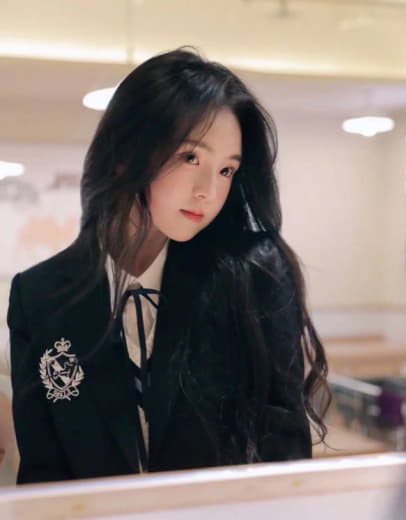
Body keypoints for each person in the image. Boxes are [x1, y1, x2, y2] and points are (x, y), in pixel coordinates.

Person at [6, 46, 330, 485]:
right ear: (126, 151)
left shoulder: (255, 277)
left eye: (226, 171)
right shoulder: (39, 296)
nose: (208, 191)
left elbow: (287, 461)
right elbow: (42, 475)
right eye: (190, 157)